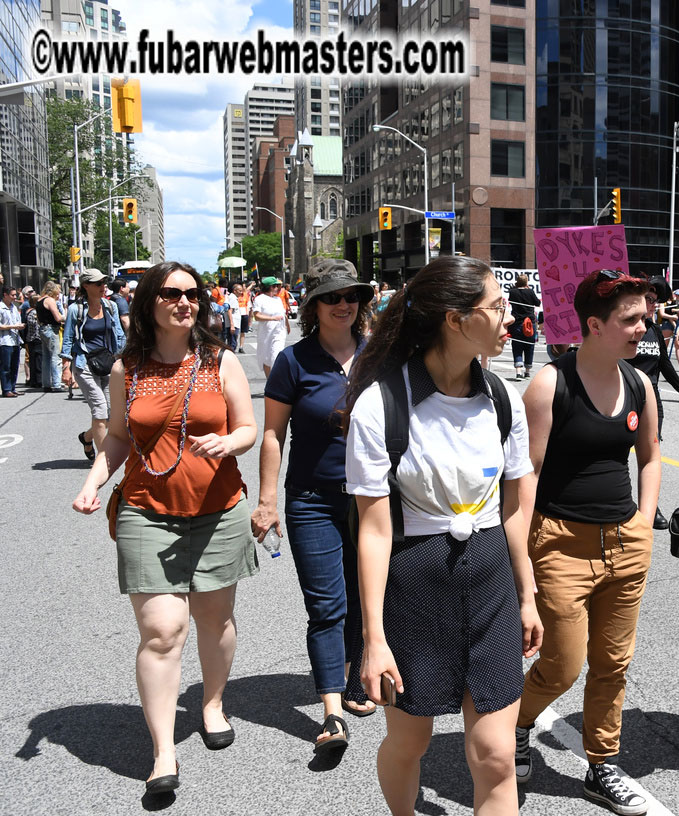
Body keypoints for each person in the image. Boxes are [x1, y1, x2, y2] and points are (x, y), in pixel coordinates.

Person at [343, 256, 542, 815]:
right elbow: (374, 531)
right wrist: (373, 638)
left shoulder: (502, 399)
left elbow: (512, 512)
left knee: (496, 754)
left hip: (491, 588)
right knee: (411, 742)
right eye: (497, 307)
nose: (511, 317)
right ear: (455, 320)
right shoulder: (380, 404)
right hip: (415, 592)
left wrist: (527, 596)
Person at [70, 261, 259, 796]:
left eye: (193, 293)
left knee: (215, 620)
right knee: (161, 632)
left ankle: (213, 703)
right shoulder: (126, 369)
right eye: (173, 293)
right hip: (147, 511)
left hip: (219, 512)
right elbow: (118, 438)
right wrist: (93, 483)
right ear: (150, 301)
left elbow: (247, 426)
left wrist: (229, 443)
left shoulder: (220, 362)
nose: (185, 301)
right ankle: (163, 752)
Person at [516, 270, 660, 816]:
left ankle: (602, 766)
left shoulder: (641, 384)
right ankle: (518, 722)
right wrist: (526, 557)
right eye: (630, 319)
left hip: (626, 541)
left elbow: (649, 456)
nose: (642, 327)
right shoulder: (550, 384)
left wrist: (644, 523)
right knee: (562, 662)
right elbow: (527, 472)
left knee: (613, 664)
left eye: (644, 316)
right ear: (594, 325)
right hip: (560, 543)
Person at [252, 260, 377, 755]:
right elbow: (272, 435)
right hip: (311, 500)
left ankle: (353, 678)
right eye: (332, 297)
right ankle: (331, 712)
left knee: (364, 596)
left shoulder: (380, 357)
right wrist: (266, 501)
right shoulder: (293, 361)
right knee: (327, 603)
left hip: (372, 499)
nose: (344, 304)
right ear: (313, 307)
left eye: (351, 296)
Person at [632, 277, 679, 528]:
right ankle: (623, 505)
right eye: (647, 298)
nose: (651, 304)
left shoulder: (655, 331)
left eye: (654, 301)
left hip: (652, 402)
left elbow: (665, 366)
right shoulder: (625, 329)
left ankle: (650, 507)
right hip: (625, 397)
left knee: (650, 456)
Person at [62, 269, 126, 463]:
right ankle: (104, 459)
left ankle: (87, 438)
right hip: (84, 364)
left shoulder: (110, 306)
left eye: (104, 283)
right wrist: (66, 368)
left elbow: (119, 335)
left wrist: (122, 358)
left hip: (108, 363)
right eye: (98, 284)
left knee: (110, 414)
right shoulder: (76, 309)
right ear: (86, 286)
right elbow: (68, 339)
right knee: (99, 409)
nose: (102, 287)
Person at [250, 277, 288, 377]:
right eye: (275, 286)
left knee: (276, 356)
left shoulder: (278, 299)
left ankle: (278, 383)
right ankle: (270, 382)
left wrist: (287, 326)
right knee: (266, 358)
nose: (278, 288)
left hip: (279, 332)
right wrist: (272, 318)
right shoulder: (259, 299)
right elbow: (257, 316)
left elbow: (283, 314)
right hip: (266, 333)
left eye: (278, 286)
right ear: (269, 287)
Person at [507, 273, 540, 381]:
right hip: (530, 323)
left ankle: (518, 371)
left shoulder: (512, 292)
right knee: (529, 346)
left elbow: (511, 302)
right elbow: (537, 303)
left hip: (517, 322)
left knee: (517, 346)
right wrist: (529, 290)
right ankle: (527, 371)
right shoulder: (530, 292)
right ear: (526, 282)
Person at [35, 282, 66, 394]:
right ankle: (57, 384)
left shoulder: (39, 300)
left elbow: (38, 318)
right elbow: (58, 318)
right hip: (51, 329)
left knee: (46, 358)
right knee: (55, 357)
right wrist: (66, 316)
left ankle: (46, 383)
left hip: (42, 329)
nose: (58, 295)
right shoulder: (50, 300)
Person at [0, 287, 22, 397]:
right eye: (12, 295)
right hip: (4, 341)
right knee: (5, 367)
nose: (15, 297)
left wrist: (20, 326)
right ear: (5, 295)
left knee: (15, 365)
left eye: (15, 295)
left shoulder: (14, 307)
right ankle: (6, 389)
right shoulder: (1, 308)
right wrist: (13, 326)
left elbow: (18, 320)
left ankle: (13, 387)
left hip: (15, 340)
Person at [21, 286, 41, 388]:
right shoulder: (32, 312)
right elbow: (35, 326)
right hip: (34, 338)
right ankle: (35, 380)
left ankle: (33, 379)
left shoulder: (30, 311)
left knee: (33, 360)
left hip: (30, 338)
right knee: (35, 360)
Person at [234, 282, 250, 353]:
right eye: (242, 287)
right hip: (237, 315)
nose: (244, 288)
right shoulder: (235, 296)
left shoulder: (246, 295)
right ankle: (234, 345)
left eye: (244, 287)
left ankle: (241, 347)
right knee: (236, 332)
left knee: (243, 332)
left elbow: (248, 305)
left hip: (244, 315)